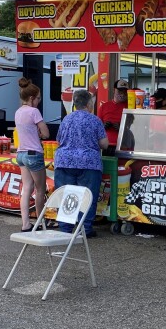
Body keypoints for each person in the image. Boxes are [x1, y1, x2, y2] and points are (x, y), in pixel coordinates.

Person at [54, 89, 109, 238]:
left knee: (67, 195)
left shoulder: (66, 119)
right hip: (88, 163)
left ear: (75, 103)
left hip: (64, 161)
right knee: (87, 196)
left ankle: (65, 228)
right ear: (89, 103)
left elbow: (59, 140)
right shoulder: (95, 120)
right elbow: (104, 144)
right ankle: (85, 228)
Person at [15, 78, 49, 232]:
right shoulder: (34, 112)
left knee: (26, 188)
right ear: (31, 98)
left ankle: (25, 224)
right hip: (34, 153)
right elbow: (46, 133)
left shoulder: (18, 112)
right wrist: (40, 134)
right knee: (40, 189)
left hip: (21, 154)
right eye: (38, 98)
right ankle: (40, 223)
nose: (39, 101)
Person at [98, 78, 128, 156]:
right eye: (120, 91)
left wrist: (122, 129)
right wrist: (103, 127)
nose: (122, 94)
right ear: (114, 90)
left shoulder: (131, 107)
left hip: (125, 146)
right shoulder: (104, 106)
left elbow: (136, 128)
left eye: (125, 92)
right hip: (107, 146)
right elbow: (96, 128)